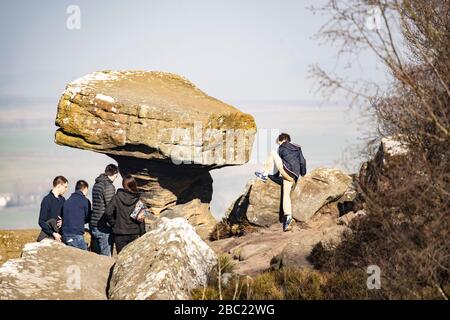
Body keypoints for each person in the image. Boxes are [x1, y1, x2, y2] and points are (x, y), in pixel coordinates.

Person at [255, 133, 304, 232]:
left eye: (278, 142)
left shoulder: (282, 147)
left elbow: (279, 164)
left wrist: (275, 175)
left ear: (282, 140)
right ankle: (288, 218)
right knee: (286, 196)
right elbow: (302, 161)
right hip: (294, 176)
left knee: (273, 153)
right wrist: (302, 174)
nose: (279, 144)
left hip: (286, 172)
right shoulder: (298, 148)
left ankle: (264, 173)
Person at [105, 175, 146, 254]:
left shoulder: (117, 197)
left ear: (123, 185)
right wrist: (143, 234)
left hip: (120, 233)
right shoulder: (138, 199)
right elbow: (141, 219)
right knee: (133, 260)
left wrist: (114, 224)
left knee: (121, 259)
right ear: (134, 184)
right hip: (134, 233)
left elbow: (107, 212)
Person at [90, 164, 118, 256]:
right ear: (115, 173)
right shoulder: (109, 186)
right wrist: (114, 224)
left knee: (95, 256)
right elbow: (110, 208)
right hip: (104, 226)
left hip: (94, 224)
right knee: (106, 258)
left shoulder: (96, 184)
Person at [61, 180, 91, 250]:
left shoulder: (67, 201)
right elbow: (88, 217)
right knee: (85, 256)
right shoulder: (85, 201)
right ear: (85, 189)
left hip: (65, 235)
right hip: (76, 235)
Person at [37, 176, 68, 242]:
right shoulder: (47, 200)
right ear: (59, 186)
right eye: (65, 187)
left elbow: (66, 217)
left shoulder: (63, 200)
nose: (66, 189)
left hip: (61, 236)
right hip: (48, 237)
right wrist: (53, 233)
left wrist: (63, 221)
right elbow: (41, 221)